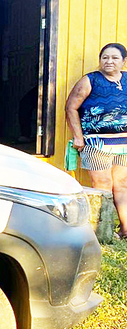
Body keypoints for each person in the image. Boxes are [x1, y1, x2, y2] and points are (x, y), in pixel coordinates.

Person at [66, 43, 127, 238]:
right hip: (96, 143)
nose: (109, 61)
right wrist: (78, 135)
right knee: (102, 184)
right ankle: (100, 232)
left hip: (123, 144)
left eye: (115, 58)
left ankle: (125, 229)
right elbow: (71, 107)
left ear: (123, 62)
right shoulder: (90, 80)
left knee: (122, 184)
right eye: (105, 57)